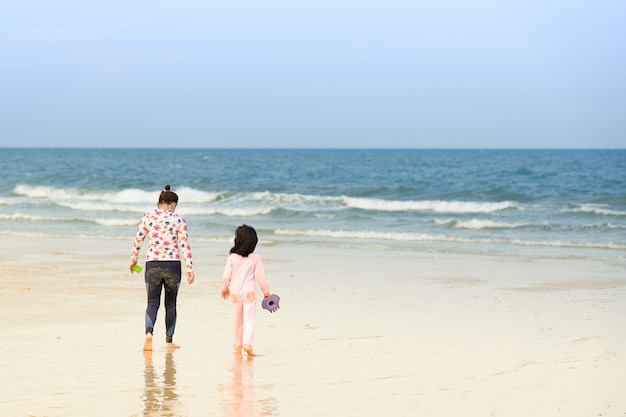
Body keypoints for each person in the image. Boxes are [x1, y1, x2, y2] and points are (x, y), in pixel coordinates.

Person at [130, 185, 195, 351]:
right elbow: (184, 245)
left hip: (153, 264)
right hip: (173, 265)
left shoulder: (147, 218)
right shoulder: (179, 220)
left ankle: (148, 334)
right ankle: (169, 341)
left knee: (152, 303)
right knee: (171, 304)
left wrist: (133, 260)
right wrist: (190, 268)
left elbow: (138, 241)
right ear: (173, 204)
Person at [221, 225, 270, 356]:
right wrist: (266, 292)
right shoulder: (255, 258)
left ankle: (238, 343)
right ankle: (248, 343)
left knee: (237, 319)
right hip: (249, 293)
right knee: (249, 318)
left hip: (234, 294)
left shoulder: (232, 257)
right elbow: (261, 276)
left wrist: (224, 288)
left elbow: (226, 275)